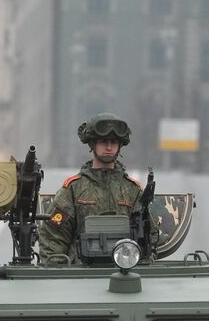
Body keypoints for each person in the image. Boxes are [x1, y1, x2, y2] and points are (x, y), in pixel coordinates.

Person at [39, 112, 145, 263]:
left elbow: (149, 236)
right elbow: (53, 234)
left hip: (124, 273)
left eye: (114, 142)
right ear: (92, 144)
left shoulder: (133, 191)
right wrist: (59, 272)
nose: (109, 147)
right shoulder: (74, 188)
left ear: (120, 146)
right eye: (103, 142)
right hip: (81, 275)